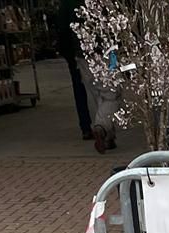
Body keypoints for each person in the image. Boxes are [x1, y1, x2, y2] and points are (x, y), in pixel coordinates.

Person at [53, 0, 93, 140]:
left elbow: (62, 27)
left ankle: (86, 127)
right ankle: (102, 126)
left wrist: (67, 52)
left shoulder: (67, 3)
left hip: (74, 50)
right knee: (99, 88)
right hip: (92, 49)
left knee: (79, 86)